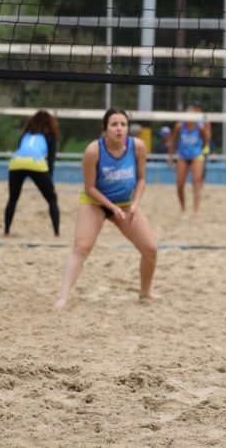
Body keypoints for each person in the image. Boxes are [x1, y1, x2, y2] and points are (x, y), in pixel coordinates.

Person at [55, 108, 156, 309]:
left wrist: (135, 204)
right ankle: (63, 296)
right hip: (96, 203)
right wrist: (111, 207)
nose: (119, 128)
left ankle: (145, 293)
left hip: (125, 203)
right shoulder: (93, 150)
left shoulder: (137, 146)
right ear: (105, 128)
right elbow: (90, 187)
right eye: (114, 124)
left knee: (150, 249)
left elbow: (142, 180)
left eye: (123, 124)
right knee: (82, 247)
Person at [4, 110, 61, 237]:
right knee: (52, 199)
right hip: (36, 163)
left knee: (13, 198)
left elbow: (20, 149)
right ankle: (56, 233)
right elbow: (50, 160)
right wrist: (49, 180)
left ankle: (6, 231)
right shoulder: (50, 135)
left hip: (16, 163)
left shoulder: (26, 134)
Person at [168, 105, 211, 213]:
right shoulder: (179, 126)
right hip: (183, 156)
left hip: (197, 155)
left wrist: (201, 151)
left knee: (196, 182)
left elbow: (206, 140)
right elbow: (173, 141)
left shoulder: (200, 127)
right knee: (180, 185)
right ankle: (183, 208)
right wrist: (171, 156)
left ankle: (196, 210)